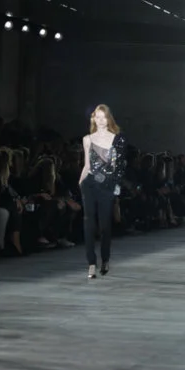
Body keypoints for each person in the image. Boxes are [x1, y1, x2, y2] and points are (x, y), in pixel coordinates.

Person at [79, 104, 127, 279]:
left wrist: (115, 186)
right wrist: (80, 181)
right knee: (88, 223)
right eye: (97, 117)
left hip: (107, 185)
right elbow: (87, 165)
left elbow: (119, 167)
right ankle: (91, 263)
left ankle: (105, 259)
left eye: (103, 117)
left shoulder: (117, 139)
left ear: (109, 119)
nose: (100, 120)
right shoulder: (87, 139)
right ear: (93, 118)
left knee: (105, 225)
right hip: (89, 184)